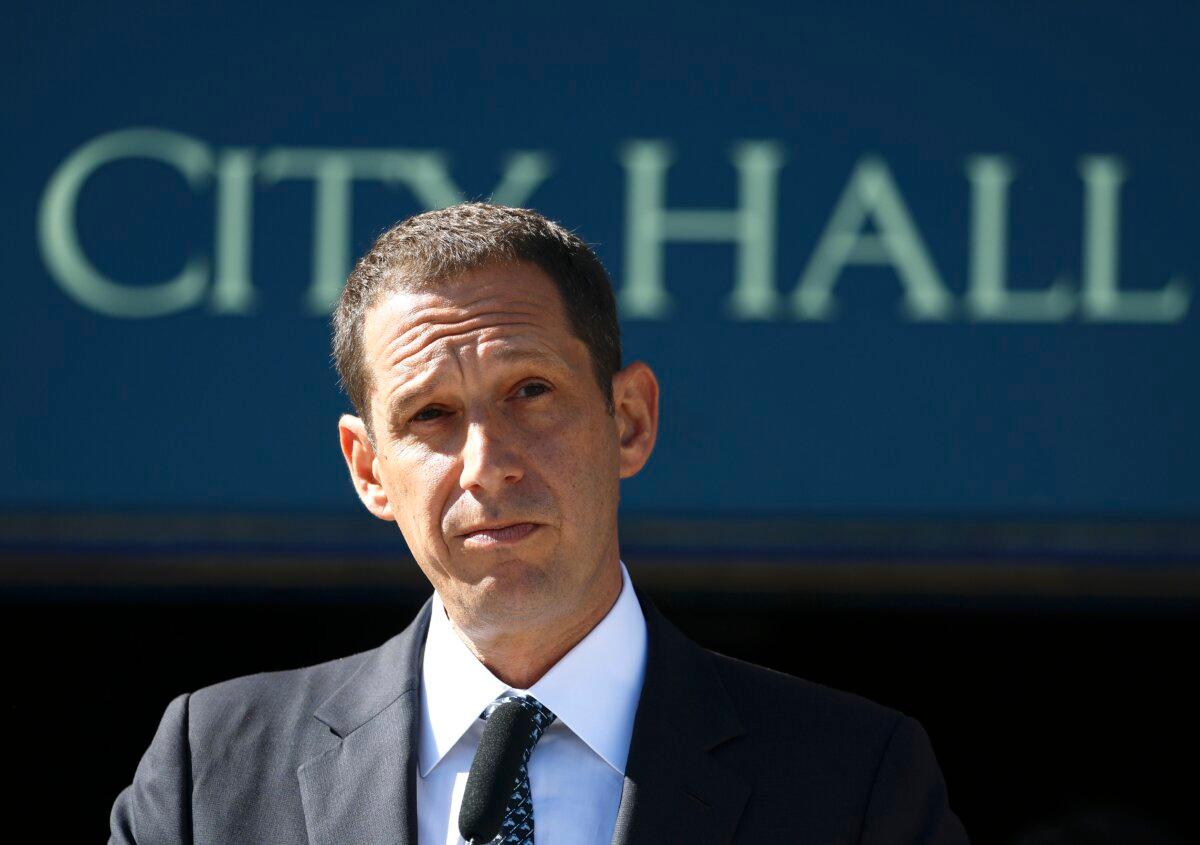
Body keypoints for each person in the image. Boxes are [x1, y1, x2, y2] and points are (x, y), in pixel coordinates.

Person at [109, 203, 968, 844]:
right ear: (369, 469)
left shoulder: (853, 779)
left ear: (628, 419)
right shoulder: (212, 769)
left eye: (530, 392)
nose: (488, 463)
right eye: (432, 415)